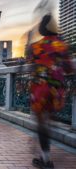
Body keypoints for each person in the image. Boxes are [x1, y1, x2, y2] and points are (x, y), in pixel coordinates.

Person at [27, 14, 74, 169]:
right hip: (56, 89)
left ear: (42, 28)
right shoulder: (62, 45)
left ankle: (45, 158)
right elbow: (69, 68)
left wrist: (29, 39)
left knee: (41, 124)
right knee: (49, 119)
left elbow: (29, 62)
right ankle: (46, 151)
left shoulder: (36, 46)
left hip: (40, 89)